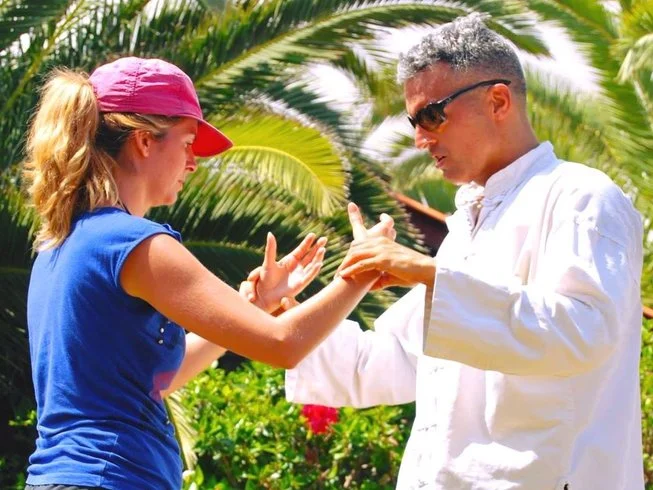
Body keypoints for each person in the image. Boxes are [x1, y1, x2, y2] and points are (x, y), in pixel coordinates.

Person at [248, 14, 645, 490]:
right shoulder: (468, 228)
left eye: (431, 116)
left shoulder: (581, 197)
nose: (420, 139)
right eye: (413, 122)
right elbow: (384, 359)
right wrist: (282, 311)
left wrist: (430, 274)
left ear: (498, 101)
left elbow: (584, 332)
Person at [23, 56, 394, 490]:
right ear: (144, 141)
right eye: (186, 143)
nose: (193, 162)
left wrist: (252, 306)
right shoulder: (133, 243)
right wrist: (362, 269)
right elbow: (283, 344)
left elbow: (156, 382)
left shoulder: (63, 244)